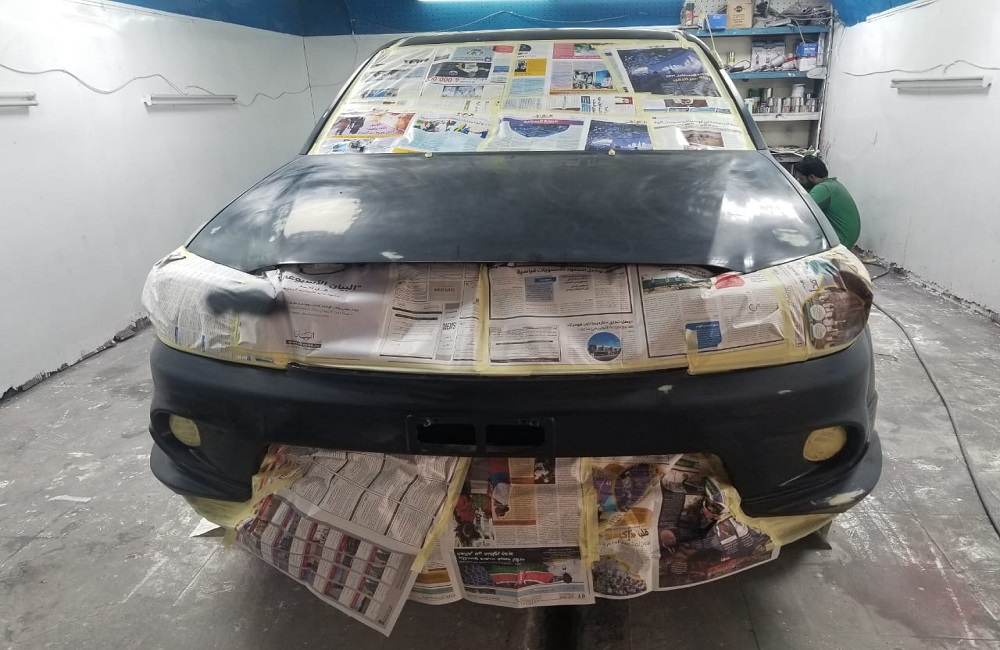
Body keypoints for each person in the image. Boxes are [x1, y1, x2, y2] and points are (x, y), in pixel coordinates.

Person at [793, 157, 862, 248]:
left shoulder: (823, 189)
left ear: (812, 177)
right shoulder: (833, 184)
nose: (799, 182)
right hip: (845, 237)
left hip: (840, 241)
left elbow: (800, 211)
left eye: (801, 179)